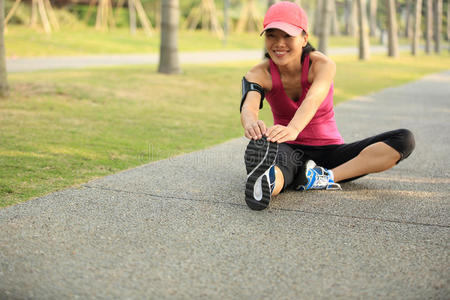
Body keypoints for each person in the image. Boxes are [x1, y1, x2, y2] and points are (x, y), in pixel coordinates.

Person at [241, 1, 415, 211]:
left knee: (403, 139)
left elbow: (313, 99)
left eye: (288, 36)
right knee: (281, 165)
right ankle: (265, 184)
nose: (279, 43)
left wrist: (293, 129)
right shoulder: (259, 74)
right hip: (289, 148)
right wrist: (251, 123)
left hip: (331, 152)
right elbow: (249, 106)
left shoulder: (322, 65)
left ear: (305, 38)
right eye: (272, 35)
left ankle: (321, 178)